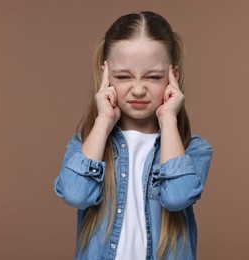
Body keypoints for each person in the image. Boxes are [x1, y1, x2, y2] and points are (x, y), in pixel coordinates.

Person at [54, 11, 213, 260]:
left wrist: (169, 118)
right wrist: (104, 119)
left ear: (174, 77)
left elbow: (176, 197)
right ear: (105, 76)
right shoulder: (86, 145)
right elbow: (76, 194)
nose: (138, 89)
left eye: (153, 77)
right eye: (123, 76)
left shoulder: (193, 151)